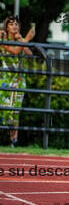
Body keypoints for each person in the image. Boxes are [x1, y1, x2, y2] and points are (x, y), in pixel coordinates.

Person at [0, 16, 34, 147]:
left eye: (16, 24)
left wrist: (22, 40)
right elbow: (14, 51)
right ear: (6, 27)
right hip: (4, 79)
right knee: (4, 108)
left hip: (19, 80)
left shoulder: (20, 39)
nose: (14, 26)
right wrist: (27, 39)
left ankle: (14, 140)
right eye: (11, 24)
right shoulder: (2, 39)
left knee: (15, 111)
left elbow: (29, 54)